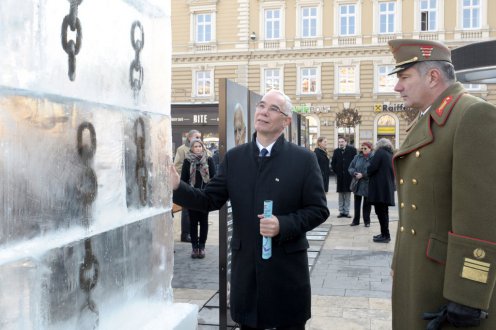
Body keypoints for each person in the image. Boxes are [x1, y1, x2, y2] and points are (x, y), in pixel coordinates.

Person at [170, 89, 329, 329]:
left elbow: (318, 209)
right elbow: (208, 200)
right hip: (247, 273)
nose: (264, 111)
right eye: (262, 106)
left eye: (273, 109)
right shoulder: (235, 158)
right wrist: (177, 187)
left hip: (286, 273)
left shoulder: (304, 160)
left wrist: (283, 224)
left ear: (286, 121)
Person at [388, 39, 496, 329]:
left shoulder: (472, 114)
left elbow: (481, 216)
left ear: (433, 77)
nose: (398, 87)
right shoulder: (432, 118)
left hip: (445, 279)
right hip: (421, 268)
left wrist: (467, 294)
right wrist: (400, 261)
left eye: (404, 77)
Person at [180, 139, 216, 259]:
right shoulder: (187, 161)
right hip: (192, 196)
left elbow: (214, 178)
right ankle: (195, 248)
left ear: (203, 147)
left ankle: (202, 247)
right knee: (193, 223)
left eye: (200, 146)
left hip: (205, 196)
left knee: (204, 222)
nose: (198, 148)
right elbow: (184, 180)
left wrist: (210, 192)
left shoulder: (209, 160)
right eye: (195, 146)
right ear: (191, 148)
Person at [174, 129, 202, 243]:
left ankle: (193, 233)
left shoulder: (202, 149)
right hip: (187, 183)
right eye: (196, 137)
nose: (199, 139)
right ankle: (185, 235)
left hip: (198, 185)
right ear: (189, 137)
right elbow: (177, 166)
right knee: (186, 210)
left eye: (199, 137)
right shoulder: (182, 150)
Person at [366, 138, 395, 243]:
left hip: (379, 189)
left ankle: (386, 235)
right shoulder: (390, 154)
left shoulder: (380, 153)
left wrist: (368, 169)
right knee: (384, 211)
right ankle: (384, 233)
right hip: (386, 188)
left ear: (379, 145)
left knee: (380, 212)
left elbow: (372, 168)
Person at [347, 141, 373, 227]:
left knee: (367, 204)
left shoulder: (373, 157)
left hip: (367, 183)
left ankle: (367, 221)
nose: (363, 150)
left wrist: (363, 175)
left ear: (370, 149)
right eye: (362, 148)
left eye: (365, 148)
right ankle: (356, 220)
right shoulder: (357, 157)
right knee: (357, 204)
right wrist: (355, 173)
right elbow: (350, 168)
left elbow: (373, 170)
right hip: (357, 183)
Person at [331, 137, 357, 218]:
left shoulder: (352, 150)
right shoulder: (336, 151)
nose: (341, 143)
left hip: (349, 176)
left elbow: (355, 162)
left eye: (342, 141)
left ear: (346, 142)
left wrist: (352, 172)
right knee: (341, 194)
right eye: (339, 142)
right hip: (340, 176)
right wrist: (337, 171)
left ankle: (347, 211)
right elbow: (333, 163)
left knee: (348, 194)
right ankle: (341, 211)